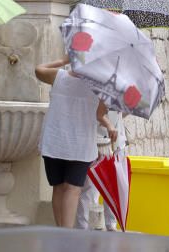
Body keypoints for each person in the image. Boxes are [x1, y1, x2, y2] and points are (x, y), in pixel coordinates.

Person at [35, 56, 117, 228]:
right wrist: (109, 125)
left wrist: (62, 60)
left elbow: (38, 69)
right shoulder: (101, 86)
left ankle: (62, 233)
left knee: (58, 187)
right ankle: (67, 236)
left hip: (55, 141)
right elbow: (100, 114)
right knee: (72, 189)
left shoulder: (59, 76)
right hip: (80, 144)